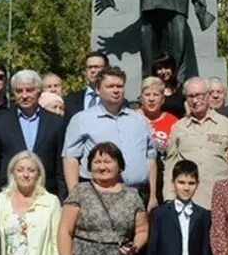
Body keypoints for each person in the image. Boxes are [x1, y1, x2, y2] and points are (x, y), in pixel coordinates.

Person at [62, 68, 158, 209]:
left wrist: (153, 195)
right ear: (98, 90)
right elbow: (70, 158)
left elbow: (150, 158)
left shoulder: (138, 120)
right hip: (99, 196)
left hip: (138, 195)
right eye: (110, 86)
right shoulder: (82, 119)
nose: (116, 90)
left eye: (119, 86)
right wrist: (74, 197)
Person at [0, 69, 65, 196]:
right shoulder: (0, 123)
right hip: (9, 193)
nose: (24, 96)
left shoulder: (56, 123)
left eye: (29, 90)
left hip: (46, 193)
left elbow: (60, 166)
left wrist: (62, 198)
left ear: (39, 91)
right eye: (19, 91)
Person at [162, 77, 228, 209]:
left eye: (199, 95)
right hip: (188, 203)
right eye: (190, 96)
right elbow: (170, 164)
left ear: (208, 95)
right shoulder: (178, 127)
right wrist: (169, 197)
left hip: (219, 202)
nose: (195, 101)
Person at [139, 76, 179, 160]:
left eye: (156, 95)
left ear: (163, 100)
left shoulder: (172, 121)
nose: (151, 99)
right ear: (141, 98)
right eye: (147, 95)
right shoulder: (132, 118)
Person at [64, 52, 108, 119]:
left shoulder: (116, 100)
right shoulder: (70, 100)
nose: (93, 70)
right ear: (85, 71)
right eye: (90, 67)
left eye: (97, 67)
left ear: (106, 69)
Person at [151, 54, 185, 118]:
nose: (163, 72)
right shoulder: (150, 90)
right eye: (159, 68)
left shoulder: (182, 89)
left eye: (166, 67)